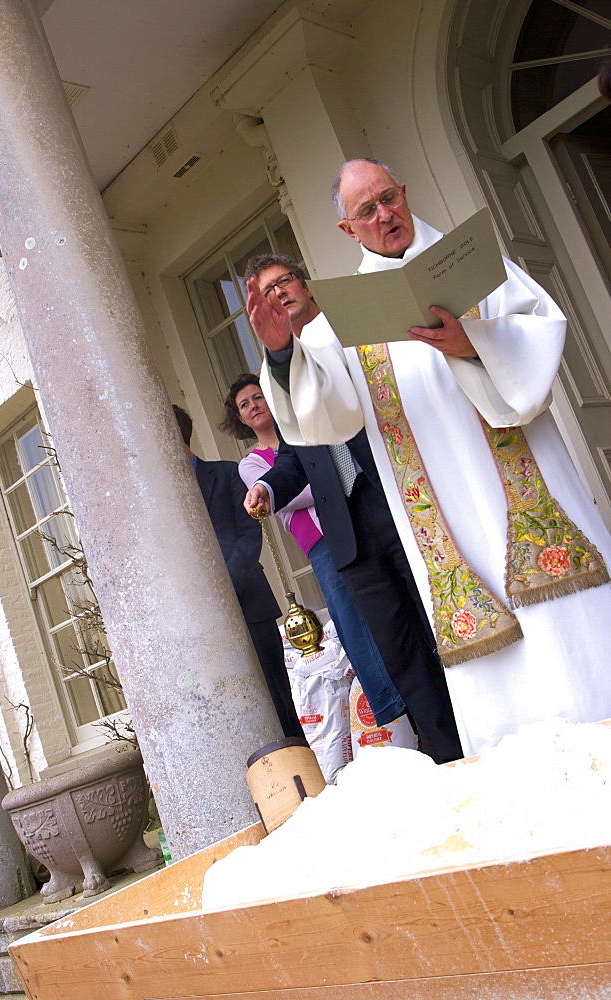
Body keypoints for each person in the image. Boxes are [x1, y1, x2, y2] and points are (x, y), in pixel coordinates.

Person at [246, 158, 611, 757]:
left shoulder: (475, 267)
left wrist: (477, 342)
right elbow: (324, 418)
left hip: (522, 492)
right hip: (445, 518)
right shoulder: (341, 318)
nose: (384, 213)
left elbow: (540, 330)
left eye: (388, 197)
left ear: (404, 193)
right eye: (366, 209)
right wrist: (284, 354)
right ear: (348, 231)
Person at [240, 257, 463, 764]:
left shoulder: (352, 335)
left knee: (441, 627)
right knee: (401, 653)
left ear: (306, 283)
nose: (279, 295)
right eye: (266, 292)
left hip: (401, 506)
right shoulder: (279, 373)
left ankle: (483, 727)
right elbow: (297, 455)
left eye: (284, 282)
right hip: (346, 532)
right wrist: (269, 490)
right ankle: (451, 759)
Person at [220, 370, 406, 730]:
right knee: (351, 619)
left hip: (359, 524)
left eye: (258, 397)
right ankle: (388, 703)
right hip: (321, 544)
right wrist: (328, 472)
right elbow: (293, 495)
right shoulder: (252, 463)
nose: (254, 406)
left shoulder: (302, 433)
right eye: (245, 405)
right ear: (240, 418)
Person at [172, 404, 303, 739]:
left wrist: (222, 589)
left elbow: (248, 535)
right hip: (201, 622)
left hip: (249, 603)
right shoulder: (163, 499)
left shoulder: (229, 473)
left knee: (278, 698)